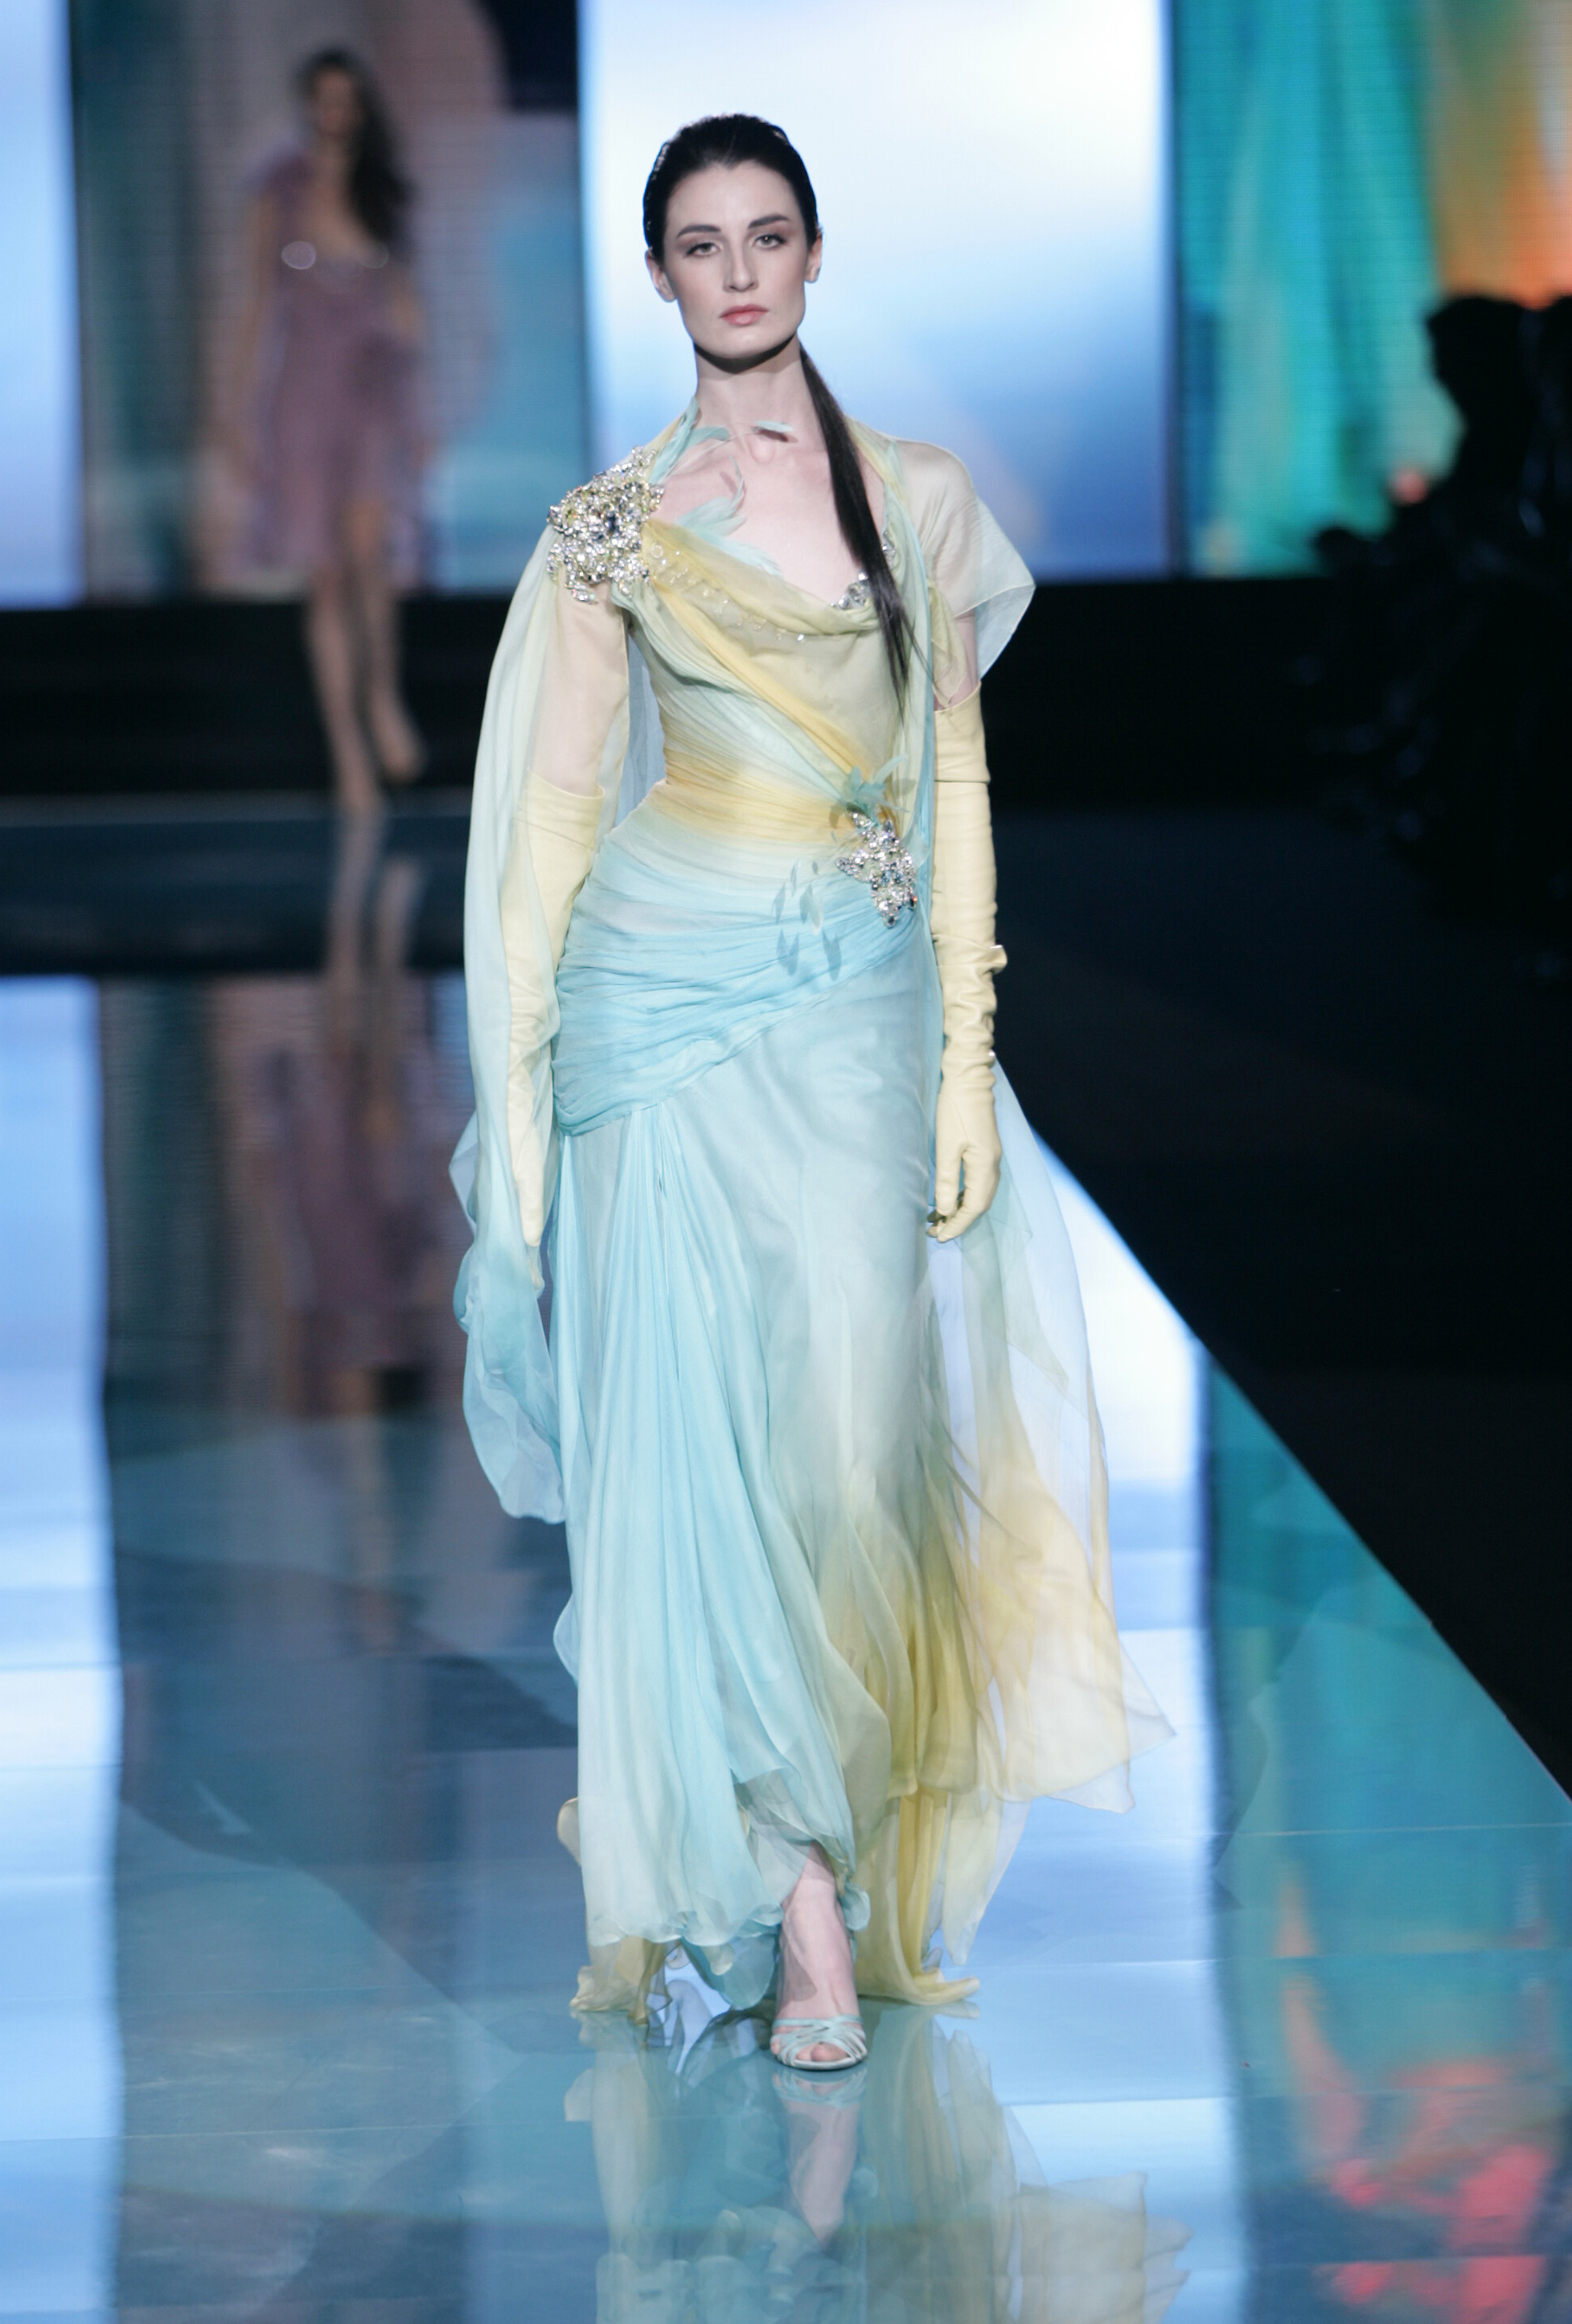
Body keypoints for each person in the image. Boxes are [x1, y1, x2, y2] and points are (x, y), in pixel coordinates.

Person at [454, 114, 1168, 2070]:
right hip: (653, 1015)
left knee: (849, 1452)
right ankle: (800, 1901)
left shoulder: (914, 496)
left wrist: (966, 1055)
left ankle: (814, 1849)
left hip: (853, 1012)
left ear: (815, 253)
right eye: (701, 243)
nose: (738, 271)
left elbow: (956, 782)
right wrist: (523, 1087)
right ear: (660, 275)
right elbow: (557, 820)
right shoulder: (610, 527)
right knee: (700, 1453)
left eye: (766, 235)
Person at [232, 48, 428, 812]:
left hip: (373, 394)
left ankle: (381, 700)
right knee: (325, 575)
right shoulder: (278, 191)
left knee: (371, 560)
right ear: (308, 105)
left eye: (347, 98)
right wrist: (238, 412)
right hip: (304, 400)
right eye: (324, 98)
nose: (335, 112)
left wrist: (420, 413)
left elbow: (407, 308)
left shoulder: (382, 191)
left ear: (361, 108)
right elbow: (257, 303)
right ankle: (348, 753)